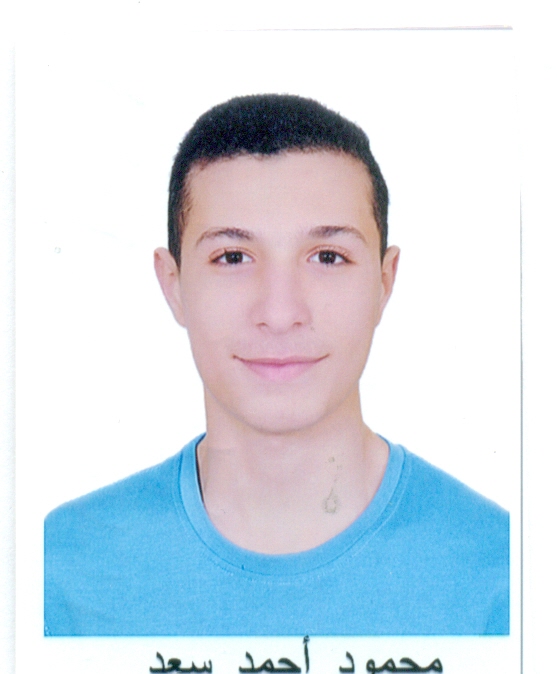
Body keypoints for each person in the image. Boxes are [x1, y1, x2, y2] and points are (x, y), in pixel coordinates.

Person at [44, 94, 509, 636]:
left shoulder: (507, 577)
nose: (281, 313)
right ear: (173, 285)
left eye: (328, 257)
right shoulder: (58, 577)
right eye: (232, 257)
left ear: (385, 282)